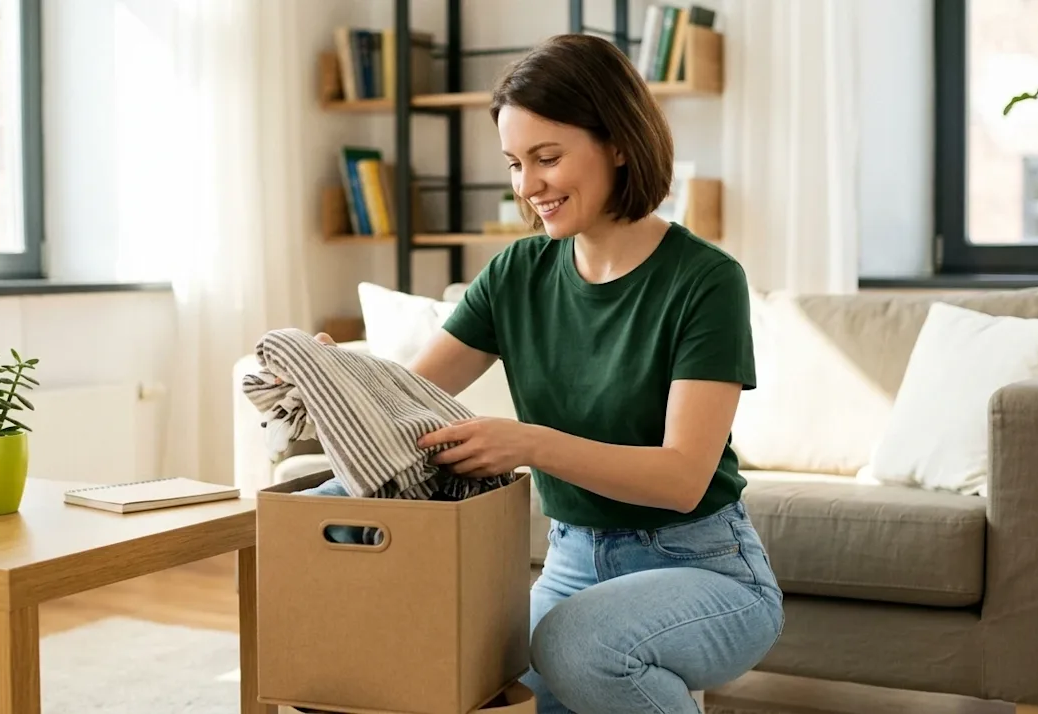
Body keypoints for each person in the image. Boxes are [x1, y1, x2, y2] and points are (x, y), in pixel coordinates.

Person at [319, 32, 782, 714]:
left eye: (547, 158)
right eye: (514, 164)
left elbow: (683, 478)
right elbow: (410, 397)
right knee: (464, 676)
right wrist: (330, 378)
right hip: (571, 564)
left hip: (704, 567)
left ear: (618, 143)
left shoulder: (705, 280)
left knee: (576, 648)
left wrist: (529, 443)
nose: (526, 187)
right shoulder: (518, 273)